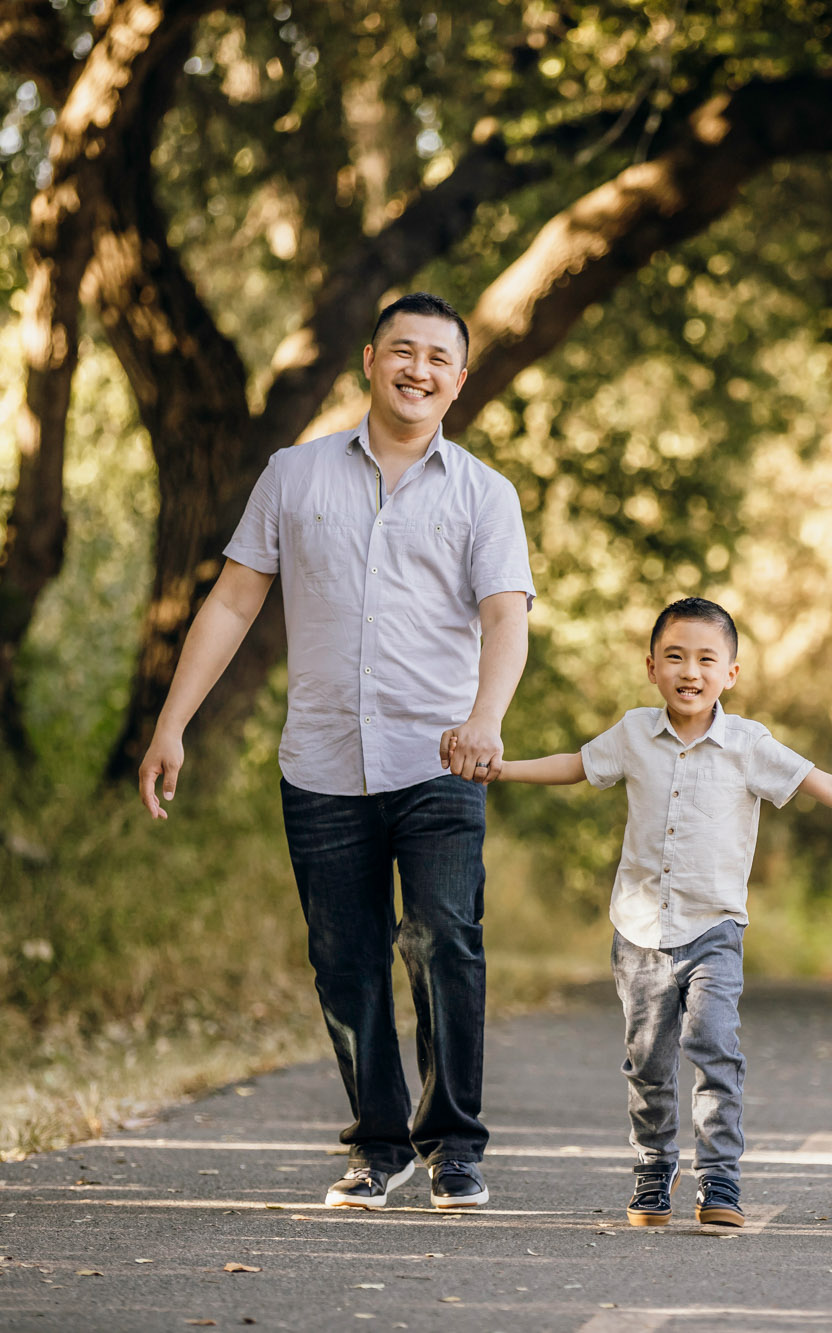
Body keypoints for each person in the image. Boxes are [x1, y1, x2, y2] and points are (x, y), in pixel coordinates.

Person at [137, 292, 533, 1212]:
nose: (418, 370)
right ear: (369, 359)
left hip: (442, 758)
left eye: (438, 358)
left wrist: (487, 717)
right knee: (345, 959)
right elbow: (234, 602)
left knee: (444, 942)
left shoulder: (484, 492)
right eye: (403, 352)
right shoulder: (294, 474)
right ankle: (379, 1144)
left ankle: (453, 1145)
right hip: (320, 760)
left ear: (459, 380)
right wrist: (172, 723)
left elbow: (506, 619)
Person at [465, 597, 832, 1227]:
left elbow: (826, 786)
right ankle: (652, 1169)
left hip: (714, 931)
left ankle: (719, 1181)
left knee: (715, 1048)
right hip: (639, 932)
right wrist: (499, 770)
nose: (689, 671)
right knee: (648, 1060)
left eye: (706, 658)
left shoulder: (748, 745)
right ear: (651, 667)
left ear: (732, 673)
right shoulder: (634, 733)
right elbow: (576, 766)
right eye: (675, 657)